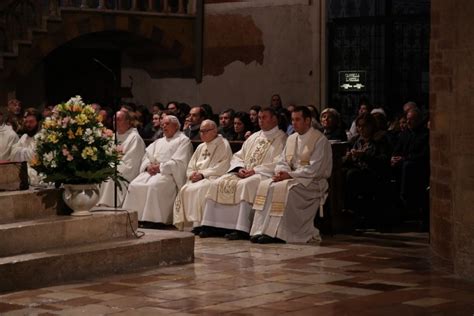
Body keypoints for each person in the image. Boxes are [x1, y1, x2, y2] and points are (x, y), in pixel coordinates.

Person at [199, 107, 287, 240]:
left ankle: (241, 228)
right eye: (259, 118)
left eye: (264, 117)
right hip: (244, 172)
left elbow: (279, 162)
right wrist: (239, 168)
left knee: (245, 185)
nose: (260, 121)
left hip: (264, 174)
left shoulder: (282, 139)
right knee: (216, 183)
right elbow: (238, 156)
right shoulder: (254, 136)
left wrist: (254, 170)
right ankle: (212, 225)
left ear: (274, 119)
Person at [249, 106, 332, 244]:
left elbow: (314, 169)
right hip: (293, 178)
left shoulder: (319, 140)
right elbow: (282, 161)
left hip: (312, 183)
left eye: (298, 119)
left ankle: (281, 234)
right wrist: (281, 172)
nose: (294, 123)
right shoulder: (292, 138)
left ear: (308, 120)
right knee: (266, 185)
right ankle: (262, 230)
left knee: (287, 191)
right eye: (292, 120)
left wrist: (290, 175)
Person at [122, 115, 192, 225]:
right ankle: (133, 218)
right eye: (162, 124)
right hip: (152, 172)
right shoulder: (158, 141)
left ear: (176, 125)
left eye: (167, 124)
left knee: (153, 186)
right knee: (134, 185)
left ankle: (154, 220)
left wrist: (160, 167)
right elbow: (146, 156)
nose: (163, 126)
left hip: (169, 174)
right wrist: (148, 166)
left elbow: (179, 162)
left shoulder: (183, 140)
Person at [173, 120, 233, 230]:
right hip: (197, 178)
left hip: (213, 177)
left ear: (215, 131)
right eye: (201, 131)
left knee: (201, 188)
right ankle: (189, 225)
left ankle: (202, 224)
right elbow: (191, 164)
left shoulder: (223, 144)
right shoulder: (201, 147)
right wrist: (191, 174)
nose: (202, 134)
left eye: (206, 131)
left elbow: (223, 165)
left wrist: (202, 174)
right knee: (185, 189)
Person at [97, 110, 146, 207]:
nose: (115, 123)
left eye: (119, 120)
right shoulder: (113, 136)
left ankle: (107, 204)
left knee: (109, 177)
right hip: (112, 167)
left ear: (128, 122)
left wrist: (110, 167)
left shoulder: (134, 138)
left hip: (125, 173)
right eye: (114, 120)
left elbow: (131, 163)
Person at [9, 108, 42, 185]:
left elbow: (34, 156)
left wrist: (21, 151)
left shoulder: (42, 137)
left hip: (38, 177)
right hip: (23, 175)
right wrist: (26, 152)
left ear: (38, 122)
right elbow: (13, 154)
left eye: (31, 122)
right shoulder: (24, 137)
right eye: (26, 122)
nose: (28, 125)